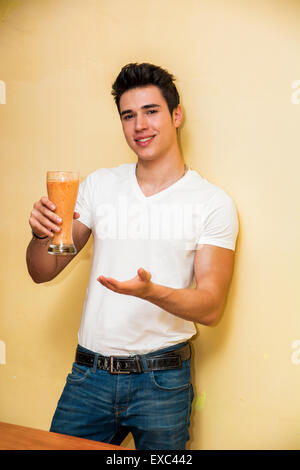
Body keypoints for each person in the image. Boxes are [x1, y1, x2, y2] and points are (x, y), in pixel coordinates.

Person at [26, 63, 239, 450]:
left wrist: (151, 292)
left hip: (162, 381)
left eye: (151, 111)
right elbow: (42, 270)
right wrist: (41, 234)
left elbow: (211, 307)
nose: (139, 125)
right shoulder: (98, 185)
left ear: (177, 115)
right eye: (128, 115)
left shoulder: (213, 203)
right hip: (88, 376)